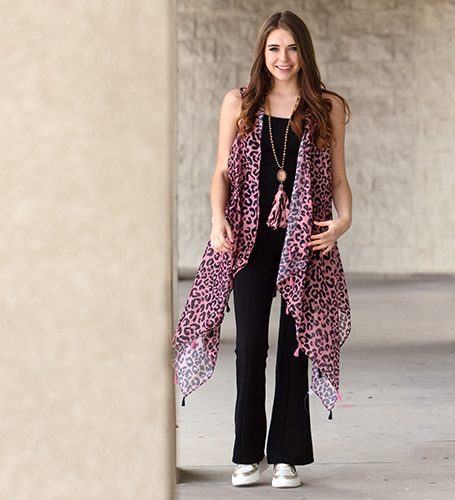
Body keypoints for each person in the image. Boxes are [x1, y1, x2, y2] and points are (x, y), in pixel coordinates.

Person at [173, 11, 352, 489]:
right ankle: (247, 455)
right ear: (262, 53)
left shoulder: (326, 106)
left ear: (304, 52)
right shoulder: (240, 102)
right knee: (251, 345)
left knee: (297, 348)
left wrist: (344, 220)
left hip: (307, 243)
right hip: (248, 239)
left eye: (292, 48)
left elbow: (337, 179)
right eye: (274, 48)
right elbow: (221, 174)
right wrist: (217, 221)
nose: (283, 58)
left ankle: (287, 457)